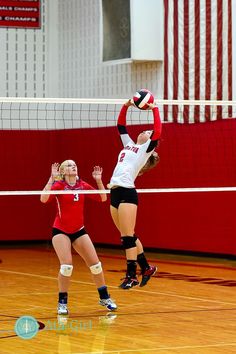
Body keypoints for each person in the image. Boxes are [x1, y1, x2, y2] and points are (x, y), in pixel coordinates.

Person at [40, 160, 117, 314]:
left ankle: (104, 297)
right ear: (63, 171)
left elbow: (102, 198)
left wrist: (98, 180)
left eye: (74, 164)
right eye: (69, 165)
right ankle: (62, 302)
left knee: (96, 265)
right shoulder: (59, 186)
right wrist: (51, 179)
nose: (73, 166)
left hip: (79, 230)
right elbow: (43, 199)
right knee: (67, 266)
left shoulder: (82, 185)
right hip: (60, 230)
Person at [108, 99, 162, 289]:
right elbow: (121, 125)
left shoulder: (145, 150)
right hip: (113, 192)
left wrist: (155, 109)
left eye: (148, 132)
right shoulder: (129, 144)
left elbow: (158, 131)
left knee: (127, 237)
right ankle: (146, 267)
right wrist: (126, 105)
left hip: (127, 192)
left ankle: (131, 275)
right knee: (127, 234)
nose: (144, 131)